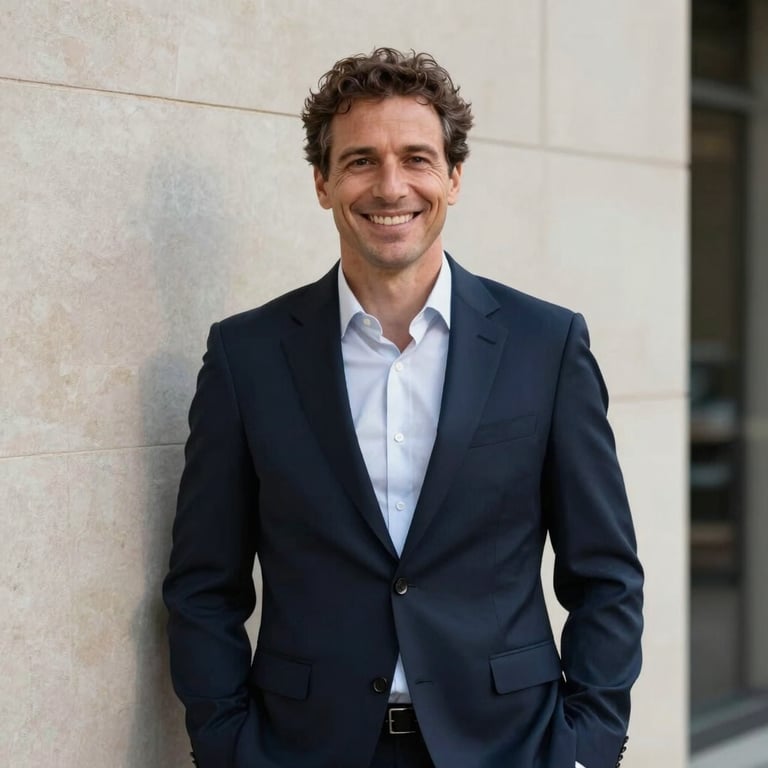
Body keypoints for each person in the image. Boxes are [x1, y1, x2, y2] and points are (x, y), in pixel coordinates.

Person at [163, 48, 643, 768]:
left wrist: (587, 746)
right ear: (322, 183)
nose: (391, 186)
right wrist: (228, 745)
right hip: (304, 749)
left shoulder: (545, 345)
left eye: (416, 158)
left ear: (453, 176)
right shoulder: (247, 357)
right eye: (360, 160)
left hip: (510, 747)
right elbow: (204, 583)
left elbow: (605, 574)